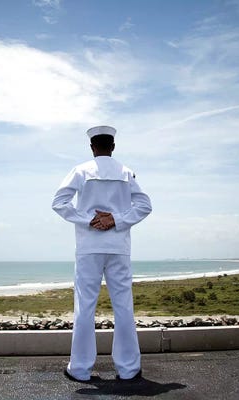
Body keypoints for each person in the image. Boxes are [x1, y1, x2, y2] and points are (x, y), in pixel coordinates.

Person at [52, 126, 152, 382]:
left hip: (89, 248)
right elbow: (144, 206)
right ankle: (129, 369)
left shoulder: (81, 170)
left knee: (84, 307)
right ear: (113, 146)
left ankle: (80, 370)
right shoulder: (126, 172)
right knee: (123, 307)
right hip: (118, 248)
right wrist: (116, 220)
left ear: (92, 147)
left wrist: (89, 220)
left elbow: (59, 203)